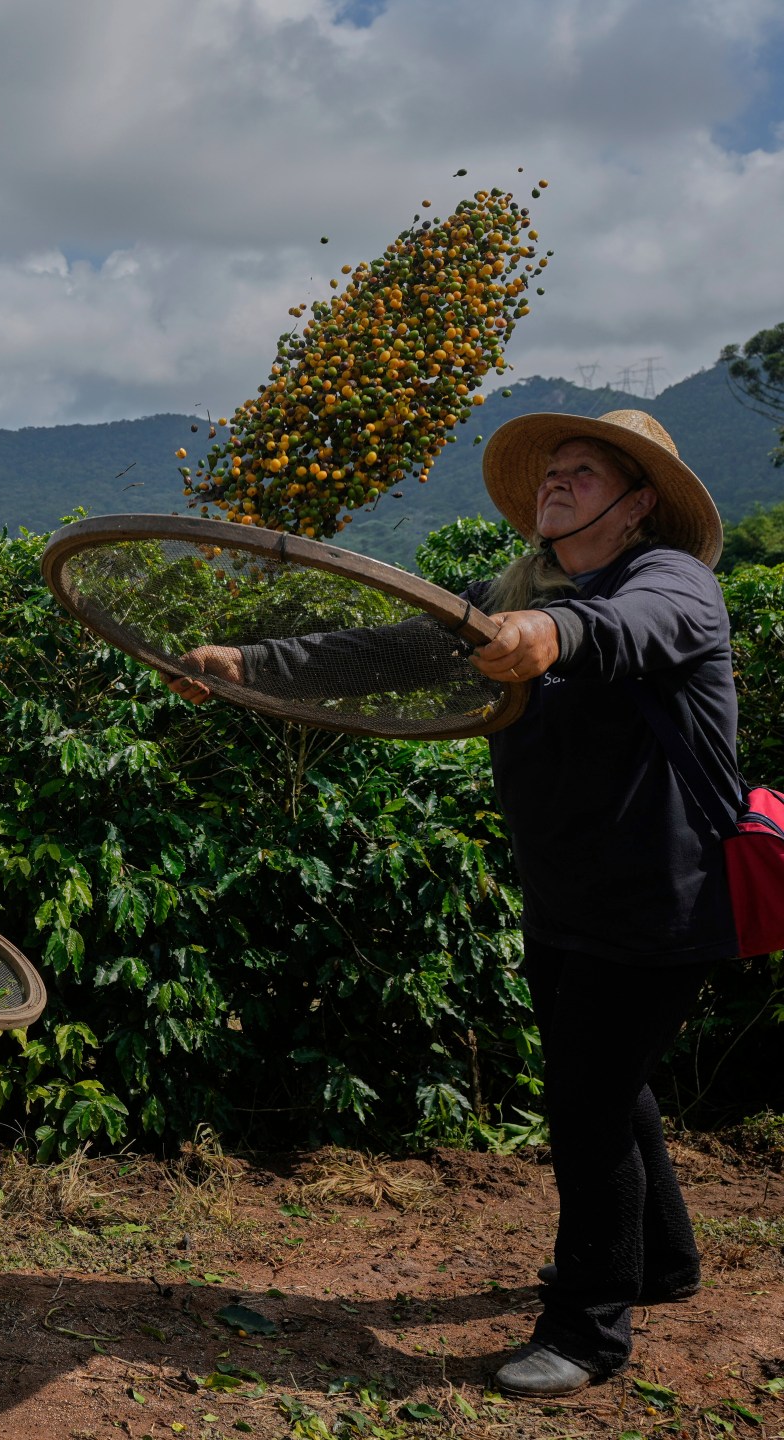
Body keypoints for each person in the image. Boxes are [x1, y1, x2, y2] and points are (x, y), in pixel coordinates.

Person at [170, 411, 736, 1398]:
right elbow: (390, 651)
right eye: (552, 470)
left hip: (663, 898)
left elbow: (621, 631)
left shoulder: (671, 582)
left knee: (589, 1102)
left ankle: (590, 1330)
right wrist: (250, 662)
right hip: (565, 894)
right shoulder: (511, 594)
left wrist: (547, 634)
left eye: (583, 472)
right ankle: (664, 1263)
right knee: (608, 1079)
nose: (556, 482)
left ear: (638, 502)